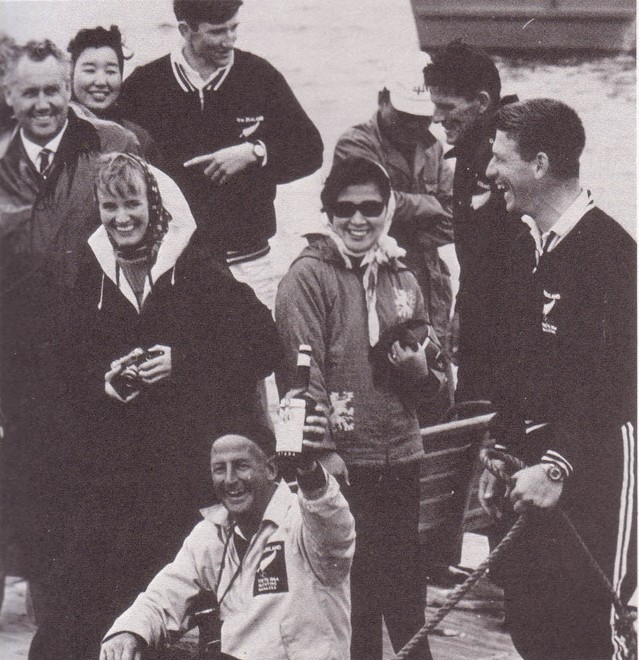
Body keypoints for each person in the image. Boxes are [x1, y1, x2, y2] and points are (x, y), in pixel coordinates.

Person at [26, 151, 281, 660]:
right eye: (109, 206)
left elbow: (264, 343)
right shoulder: (92, 275)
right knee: (69, 617)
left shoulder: (196, 267)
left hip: (185, 481)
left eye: (132, 204)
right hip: (115, 478)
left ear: (153, 206)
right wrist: (108, 385)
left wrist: (181, 362)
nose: (121, 218)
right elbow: (64, 374)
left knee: (154, 611)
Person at [480, 98, 636, 660]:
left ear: (540, 164)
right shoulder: (530, 246)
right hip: (537, 463)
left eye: (500, 159)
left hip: (596, 469)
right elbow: (524, 366)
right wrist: (501, 449)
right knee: (531, 623)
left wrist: (557, 465)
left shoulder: (613, 254)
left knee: (592, 632)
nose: (489, 172)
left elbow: (617, 385)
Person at [275, 157, 446, 660]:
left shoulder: (402, 277)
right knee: (356, 606)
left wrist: (422, 375)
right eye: (344, 208)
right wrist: (322, 452)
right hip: (345, 466)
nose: (358, 219)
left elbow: (439, 388)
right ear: (326, 212)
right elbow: (299, 377)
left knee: (408, 602)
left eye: (370, 207)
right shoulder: (307, 277)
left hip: (402, 456)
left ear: (388, 209)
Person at [0, 38, 139, 646]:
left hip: (96, 365)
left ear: (68, 89)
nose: (43, 104)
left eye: (52, 90)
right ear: (9, 96)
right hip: (19, 374)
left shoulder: (112, 148)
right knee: (32, 513)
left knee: (97, 512)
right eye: (29, 92)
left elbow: (154, 240)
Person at [117, 0, 323, 310]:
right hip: (173, 264)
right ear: (186, 30)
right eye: (217, 32)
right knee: (186, 356)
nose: (230, 40)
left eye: (234, 28)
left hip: (250, 262)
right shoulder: (146, 84)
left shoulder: (260, 76)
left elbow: (310, 149)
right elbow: (111, 153)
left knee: (256, 353)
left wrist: (255, 152)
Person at [99, 424, 355, 660]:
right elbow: (165, 595)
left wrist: (309, 470)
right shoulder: (211, 532)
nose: (230, 479)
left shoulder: (303, 520)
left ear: (270, 470)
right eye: (220, 469)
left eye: (241, 465)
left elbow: (332, 526)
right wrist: (129, 632)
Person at [333, 51, 454, 350]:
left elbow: (456, 215)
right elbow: (371, 202)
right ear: (382, 99)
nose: (413, 126)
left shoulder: (433, 148)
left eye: (422, 118)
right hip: (374, 279)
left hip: (429, 280)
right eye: (404, 115)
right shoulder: (356, 143)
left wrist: (404, 218)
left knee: (433, 371)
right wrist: (430, 205)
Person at [424, 39, 520, 403]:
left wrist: (466, 309)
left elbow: (500, 250)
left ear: (481, 103)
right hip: (489, 304)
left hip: (503, 316)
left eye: (447, 106)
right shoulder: (488, 145)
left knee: (480, 410)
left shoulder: (495, 156)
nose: (436, 118)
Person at [67, 25, 163, 165]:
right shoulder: (55, 129)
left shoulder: (138, 138)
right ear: (71, 73)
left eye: (110, 72)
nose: (101, 82)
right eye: (90, 70)